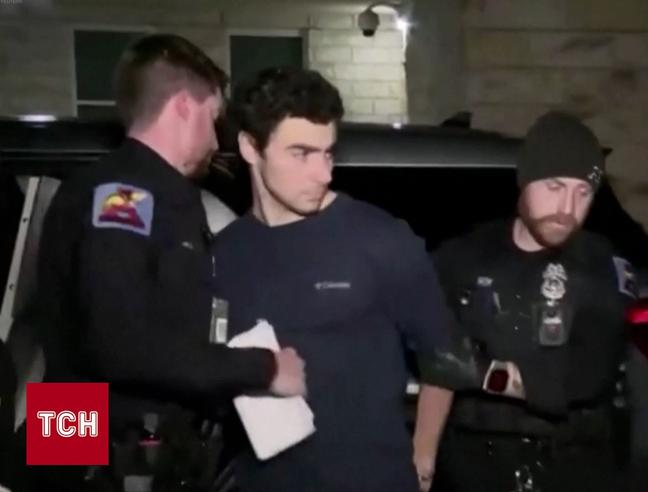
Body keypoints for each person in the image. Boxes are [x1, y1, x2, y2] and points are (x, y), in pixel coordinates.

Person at [31, 33, 307, 487]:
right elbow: (118, 344)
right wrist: (265, 368)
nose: (216, 139)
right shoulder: (124, 195)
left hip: (106, 443)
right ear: (184, 107)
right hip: (111, 454)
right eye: (214, 119)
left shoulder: (141, 193)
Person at [211, 67, 455, 492]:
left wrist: (423, 458)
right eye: (301, 154)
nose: (323, 174)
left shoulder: (380, 239)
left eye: (328, 154)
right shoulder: (224, 253)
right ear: (250, 147)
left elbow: (445, 357)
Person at [427, 111, 637, 491]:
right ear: (524, 180)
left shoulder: (603, 268)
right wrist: (422, 458)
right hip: (473, 465)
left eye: (583, 193)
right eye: (555, 186)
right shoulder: (464, 257)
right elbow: (440, 367)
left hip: (572, 466)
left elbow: (584, 375)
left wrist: (484, 374)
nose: (567, 209)